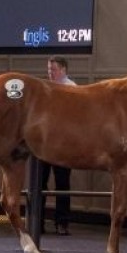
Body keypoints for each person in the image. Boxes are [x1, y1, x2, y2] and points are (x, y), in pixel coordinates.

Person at [41, 56, 76, 235]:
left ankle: (62, 222)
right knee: (40, 183)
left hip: (62, 144)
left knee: (62, 183)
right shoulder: (45, 88)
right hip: (44, 143)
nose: (50, 73)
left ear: (63, 69)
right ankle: (38, 222)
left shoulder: (71, 89)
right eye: (48, 69)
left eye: (53, 69)